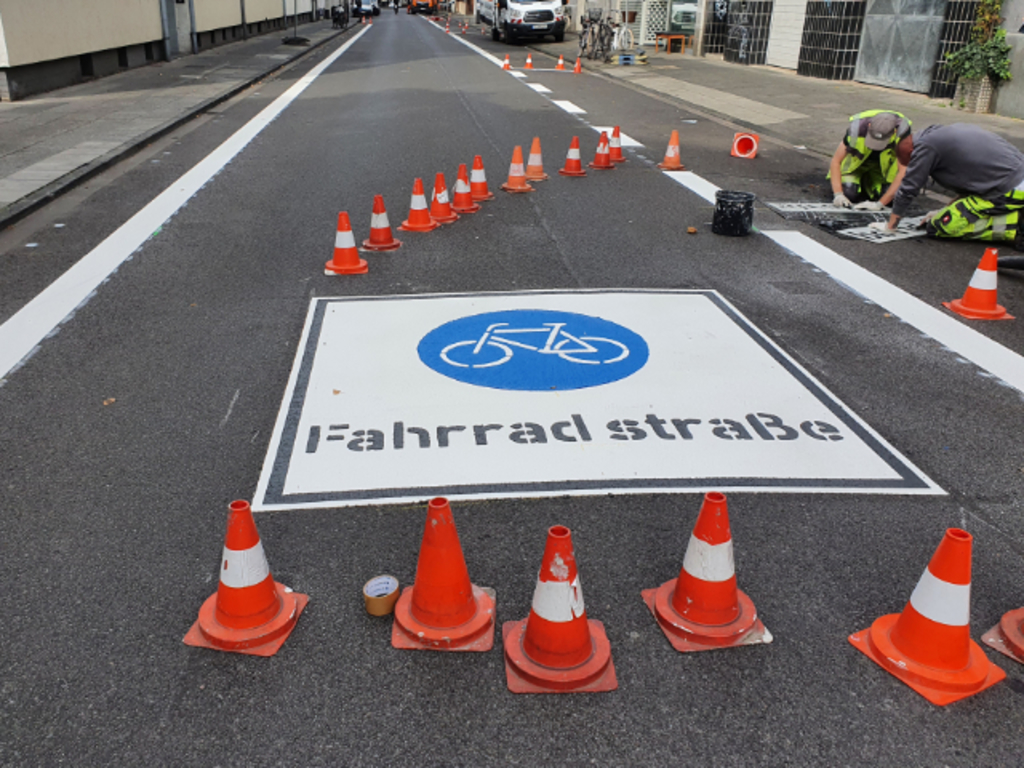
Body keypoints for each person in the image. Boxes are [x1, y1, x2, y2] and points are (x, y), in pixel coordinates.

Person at [872, 123, 1024, 247]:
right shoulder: (935, 133)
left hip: (1009, 189)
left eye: (911, 162)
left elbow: (908, 188)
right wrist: (944, 209)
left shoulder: (925, 147)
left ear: (912, 152)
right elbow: (969, 187)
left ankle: (1015, 228)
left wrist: (890, 227)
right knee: (947, 214)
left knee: (939, 226)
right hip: (1009, 181)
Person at [828, 110, 912, 211]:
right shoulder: (855, 130)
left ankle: (870, 182)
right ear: (869, 125)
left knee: (891, 198)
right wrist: (838, 194)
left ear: (894, 131)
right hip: (856, 167)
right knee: (849, 193)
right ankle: (859, 181)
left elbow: (903, 170)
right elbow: (836, 161)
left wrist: (880, 204)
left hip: (882, 170)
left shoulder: (903, 135)